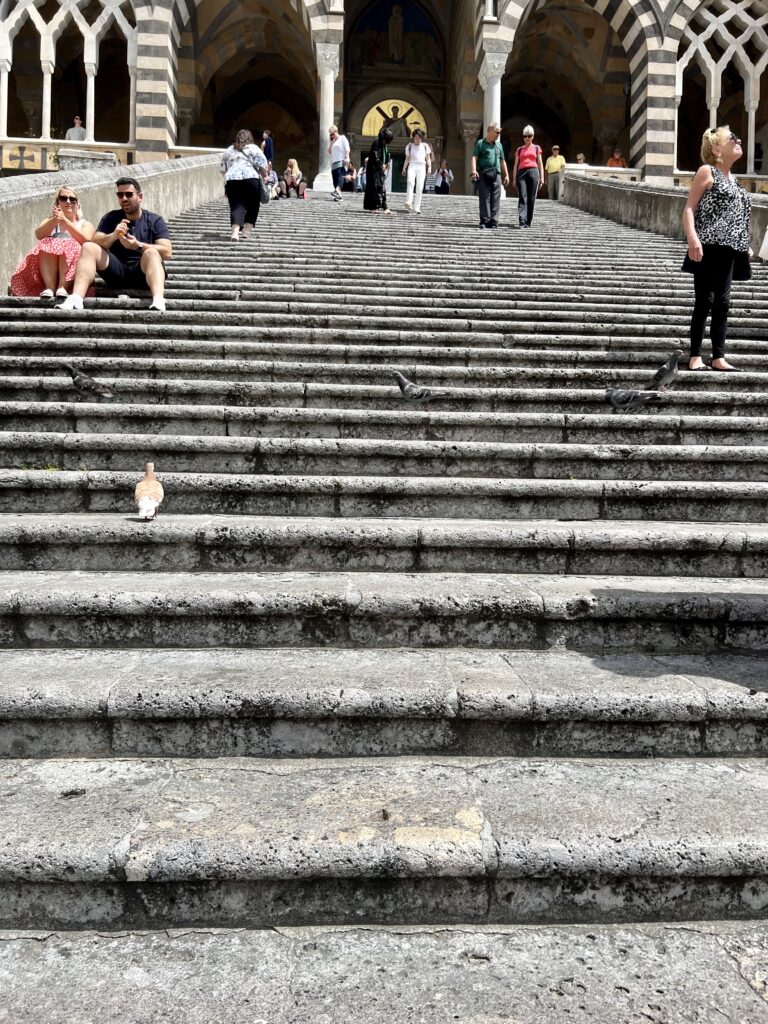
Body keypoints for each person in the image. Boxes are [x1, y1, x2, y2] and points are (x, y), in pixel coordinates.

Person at [682, 126, 751, 372]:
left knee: (723, 302)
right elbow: (689, 208)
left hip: (731, 249)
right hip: (708, 245)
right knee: (705, 300)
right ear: (716, 148)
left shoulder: (735, 180)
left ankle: (718, 356)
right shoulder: (706, 171)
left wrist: (746, 245)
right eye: (733, 138)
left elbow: (737, 217)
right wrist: (693, 238)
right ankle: (695, 356)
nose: (738, 140)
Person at [56, 176, 172, 312]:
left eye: (129, 194)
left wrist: (138, 246)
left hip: (144, 275)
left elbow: (167, 252)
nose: (124, 198)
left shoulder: (154, 220)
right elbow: (94, 240)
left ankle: (158, 299)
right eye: (120, 195)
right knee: (88, 247)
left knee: (152, 252)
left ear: (140, 197)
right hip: (117, 273)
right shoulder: (112, 218)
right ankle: (76, 298)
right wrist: (113, 235)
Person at [10, 185, 94, 298]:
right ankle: (50, 287)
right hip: (49, 271)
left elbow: (86, 241)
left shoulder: (85, 224)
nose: (68, 202)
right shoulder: (50, 222)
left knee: (71, 243)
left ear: (78, 205)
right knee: (46, 242)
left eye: (72, 199)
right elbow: (39, 235)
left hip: (74, 273)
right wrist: (55, 220)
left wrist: (65, 221)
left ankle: (62, 287)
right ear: (57, 202)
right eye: (64, 198)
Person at [219, 128, 268, 241]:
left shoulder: (229, 150)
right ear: (249, 138)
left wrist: (231, 176)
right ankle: (246, 231)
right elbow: (263, 166)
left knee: (236, 206)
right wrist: (265, 175)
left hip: (232, 180)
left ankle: (235, 233)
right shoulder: (254, 148)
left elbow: (222, 170)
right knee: (253, 204)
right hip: (251, 178)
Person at [470, 123, 509, 229]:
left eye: (500, 132)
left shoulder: (499, 145)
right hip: (483, 173)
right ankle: (484, 221)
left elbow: (502, 161)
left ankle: (493, 221)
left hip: (496, 175)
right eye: (497, 132)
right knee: (484, 197)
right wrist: (474, 171)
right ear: (490, 131)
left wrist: (506, 175)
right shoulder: (480, 143)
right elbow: (474, 157)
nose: (498, 134)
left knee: (496, 198)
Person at [512, 125, 544, 228]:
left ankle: (528, 221)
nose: (527, 138)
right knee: (522, 196)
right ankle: (522, 220)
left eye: (529, 136)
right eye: (525, 136)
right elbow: (515, 165)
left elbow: (540, 164)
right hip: (521, 173)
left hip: (533, 172)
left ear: (532, 137)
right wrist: (514, 179)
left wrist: (542, 178)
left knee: (531, 198)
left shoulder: (536, 148)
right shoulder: (519, 150)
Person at [364, 127, 395, 214]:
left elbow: (385, 157)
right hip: (373, 170)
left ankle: (385, 207)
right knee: (375, 188)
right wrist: (381, 164)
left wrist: (386, 164)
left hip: (379, 170)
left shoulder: (384, 146)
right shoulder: (377, 142)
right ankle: (374, 207)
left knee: (382, 188)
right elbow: (375, 155)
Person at [402, 128, 432, 213]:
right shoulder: (410, 146)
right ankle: (409, 201)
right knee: (410, 182)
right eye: (416, 138)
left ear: (421, 138)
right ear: (413, 138)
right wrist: (404, 168)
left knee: (419, 187)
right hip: (412, 165)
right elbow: (407, 159)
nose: (417, 140)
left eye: (419, 138)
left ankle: (417, 207)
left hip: (422, 166)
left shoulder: (425, 146)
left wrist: (429, 167)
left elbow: (428, 158)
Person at [328, 125, 351, 201]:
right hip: (334, 162)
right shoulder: (333, 141)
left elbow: (347, 148)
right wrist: (331, 142)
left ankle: (337, 190)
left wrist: (347, 157)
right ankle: (339, 195)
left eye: (332, 134)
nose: (332, 136)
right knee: (334, 178)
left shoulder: (342, 138)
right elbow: (329, 151)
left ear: (336, 131)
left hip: (341, 160)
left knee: (339, 176)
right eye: (330, 134)